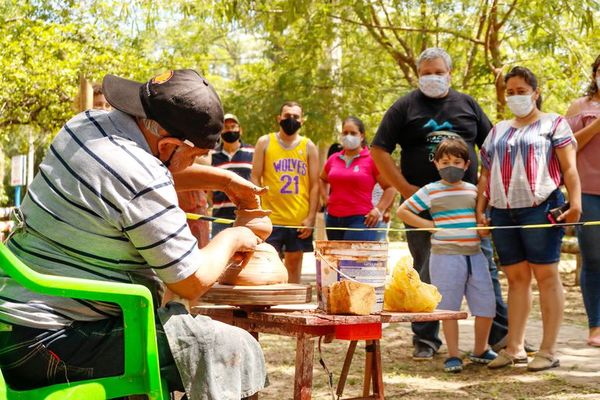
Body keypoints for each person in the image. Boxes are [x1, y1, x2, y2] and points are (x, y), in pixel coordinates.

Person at [0, 69, 268, 399]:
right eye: (195, 156)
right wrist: (235, 236)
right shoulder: (140, 175)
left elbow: (140, 177)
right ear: (169, 144)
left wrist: (224, 182)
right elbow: (189, 280)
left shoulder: (86, 125)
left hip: (15, 328)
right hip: (52, 346)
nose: (194, 163)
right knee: (232, 348)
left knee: (168, 329)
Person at [371, 47, 509, 360]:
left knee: (483, 269)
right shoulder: (405, 106)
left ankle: (499, 337)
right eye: (426, 73)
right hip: (423, 205)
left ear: (450, 73)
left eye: (438, 72)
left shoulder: (467, 104)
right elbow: (378, 150)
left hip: (467, 207)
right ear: (418, 75)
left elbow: (490, 149)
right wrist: (405, 189)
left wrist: (483, 193)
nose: (432, 77)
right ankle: (426, 339)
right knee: (425, 269)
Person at [478, 66, 581, 371]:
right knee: (516, 279)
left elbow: (570, 168)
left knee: (546, 275)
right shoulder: (497, 130)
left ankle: (548, 351)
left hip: (541, 207)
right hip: (501, 210)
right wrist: (480, 211)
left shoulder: (555, 123)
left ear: (535, 93)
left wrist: (575, 204)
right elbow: (485, 175)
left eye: (522, 91)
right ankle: (515, 347)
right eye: (510, 92)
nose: (515, 97)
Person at [398, 138, 497, 373]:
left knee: (486, 304)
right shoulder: (430, 191)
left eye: (456, 161)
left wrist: (483, 229)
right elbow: (403, 211)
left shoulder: (474, 190)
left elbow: (480, 220)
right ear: (436, 164)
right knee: (449, 308)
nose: (450, 165)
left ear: (466, 165)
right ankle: (453, 355)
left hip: (475, 254)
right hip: (444, 256)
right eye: (445, 161)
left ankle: (480, 349)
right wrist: (429, 225)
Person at [251, 101, 319, 283]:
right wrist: (257, 209)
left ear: (302, 121)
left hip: (298, 220)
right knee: (268, 267)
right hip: (271, 218)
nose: (291, 120)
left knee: (294, 267)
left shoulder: (308, 146)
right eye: (287, 115)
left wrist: (311, 217)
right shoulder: (265, 142)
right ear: (278, 118)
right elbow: (255, 177)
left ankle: (292, 309)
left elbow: (315, 185)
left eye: (295, 117)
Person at [566, 54, 600, 347]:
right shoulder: (580, 106)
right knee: (594, 258)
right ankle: (595, 327)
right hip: (589, 192)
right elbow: (566, 148)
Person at [319, 116, 395, 241]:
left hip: (361, 220)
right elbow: (322, 179)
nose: (348, 136)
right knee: (335, 259)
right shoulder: (333, 158)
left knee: (354, 260)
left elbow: (390, 187)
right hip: (333, 219)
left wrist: (379, 210)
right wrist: (325, 197)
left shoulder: (371, 159)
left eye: (353, 133)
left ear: (362, 136)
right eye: (345, 133)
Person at [210, 113, 255, 237]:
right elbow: (209, 188)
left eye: (233, 126)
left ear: (240, 130)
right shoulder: (212, 155)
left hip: (247, 217)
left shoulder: (253, 152)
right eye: (226, 127)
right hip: (220, 217)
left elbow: (258, 180)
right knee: (220, 256)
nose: (229, 130)